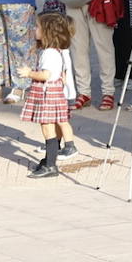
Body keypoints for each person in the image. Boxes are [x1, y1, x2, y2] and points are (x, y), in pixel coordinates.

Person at [19, 13, 80, 178]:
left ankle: (51, 165)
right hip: (51, 94)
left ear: (48, 32)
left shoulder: (50, 54)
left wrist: (29, 73)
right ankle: (49, 161)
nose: (35, 29)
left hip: (48, 95)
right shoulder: (54, 51)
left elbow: (46, 75)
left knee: (48, 129)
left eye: (38, 26)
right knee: (49, 128)